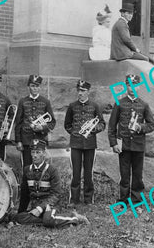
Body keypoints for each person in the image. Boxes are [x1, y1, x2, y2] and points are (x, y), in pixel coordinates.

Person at [13, 139, 89, 228]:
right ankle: (55, 221)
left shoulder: (52, 170)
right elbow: (25, 194)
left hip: (51, 205)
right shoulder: (27, 170)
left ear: (44, 154)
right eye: (33, 152)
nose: (35, 156)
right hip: (35, 207)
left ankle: (74, 217)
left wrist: (40, 208)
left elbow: (56, 194)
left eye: (38, 152)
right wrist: (21, 213)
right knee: (19, 218)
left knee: (47, 219)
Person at [107, 74, 154, 204]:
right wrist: (113, 143)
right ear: (126, 86)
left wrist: (140, 127)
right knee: (124, 174)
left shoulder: (144, 105)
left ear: (139, 86)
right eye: (129, 85)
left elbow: (152, 125)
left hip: (138, 145)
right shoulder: (119, 103)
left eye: (135, 85)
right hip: (123, 145)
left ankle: (136, 200)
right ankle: (123, 200)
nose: (132, 88)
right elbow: (112, 125)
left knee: (137, 175)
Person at [14, 74, 56, 212]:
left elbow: (52, 122)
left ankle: (41, 205)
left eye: (37, 86)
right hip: (26, 142)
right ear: (29, 86)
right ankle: (23, 206)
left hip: (40, 143)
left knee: (41, 173)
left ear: (40, 87)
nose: (35, 88)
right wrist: (18, 140)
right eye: (32, 86)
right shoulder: (22, 101)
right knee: (27, 173)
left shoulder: (45, 102)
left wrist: (42, 127)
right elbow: (18, 123)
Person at [64, 80, 106, 206]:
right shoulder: (72, 106)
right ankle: (74, 200)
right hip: (75, 144)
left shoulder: (95, 106)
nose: (80, 93)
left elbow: (102, 124)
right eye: (79, 90)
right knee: (75, 173)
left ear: (88, 91)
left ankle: (88, 200)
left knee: (89, 173)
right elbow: (67, 125)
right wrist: (75, 133)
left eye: (83, 91)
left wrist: (92, 129)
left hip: (90, 144)